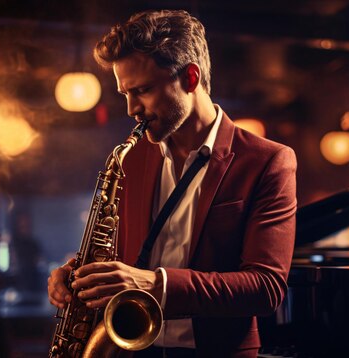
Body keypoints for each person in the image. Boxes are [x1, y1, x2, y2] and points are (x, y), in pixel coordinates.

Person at [47, 9, 297, 358]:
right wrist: (79, 275)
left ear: (190, 78)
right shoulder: (129, 158)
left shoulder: (268, 161)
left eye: (144, 90)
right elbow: (121, 259)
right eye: (125, 94)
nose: (132, 108)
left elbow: (265, 288)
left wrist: (156, 285)